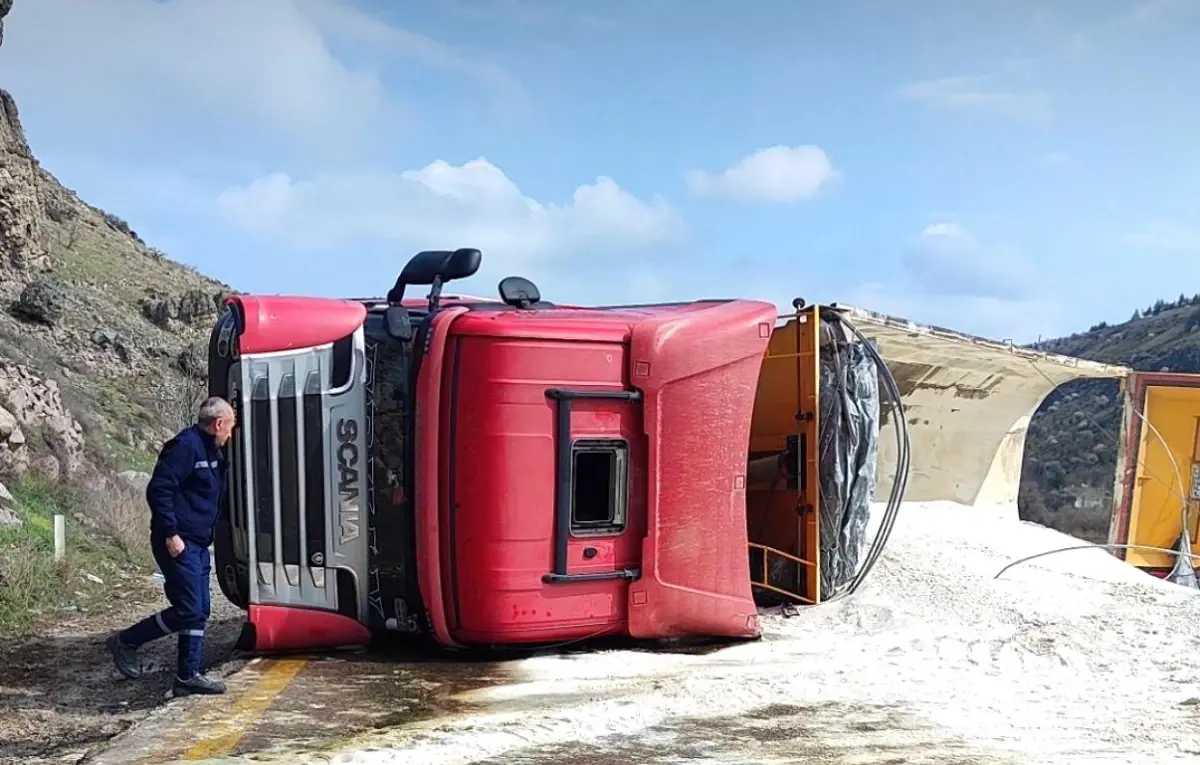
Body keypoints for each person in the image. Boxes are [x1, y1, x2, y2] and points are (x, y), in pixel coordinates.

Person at [106, 396, 235, 696]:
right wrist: (170, 533)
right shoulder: (186, 447)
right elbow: (159, 489)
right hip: (179, 542)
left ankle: (188, 675)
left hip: (199, 543)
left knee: (199, 608)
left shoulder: (214, 452)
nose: (231, 432)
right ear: (218, 424)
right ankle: (127, 641)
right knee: (190, 608)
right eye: (230, 426)